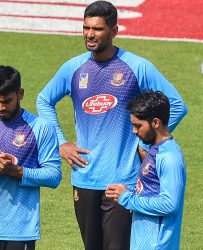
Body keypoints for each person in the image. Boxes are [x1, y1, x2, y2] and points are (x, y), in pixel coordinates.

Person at [36, 1, 187, 249]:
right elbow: (44, 100)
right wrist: (60, 144)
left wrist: (145, 143)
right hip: (84, 178)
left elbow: (177, 104)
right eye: (86, 28)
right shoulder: (74, 68)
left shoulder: (136, 67)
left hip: (122, 180)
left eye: (97, 29)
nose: (90, 34)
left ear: (114, 31)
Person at [105, 91, 186, 250]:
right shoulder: (155, 151)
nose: (134, 131)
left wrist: (128, 198)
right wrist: (131, 192)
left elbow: (169, 204)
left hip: (157, 245)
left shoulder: (170, 157)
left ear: (155, 122)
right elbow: (152, 191)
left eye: (138, 125)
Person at [0, 65, 61, 250]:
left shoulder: (41, 127)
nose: (1, 107)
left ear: (20, 94)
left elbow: (54, 176)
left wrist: (17, 171)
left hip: (18, 228)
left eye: (7, 101)